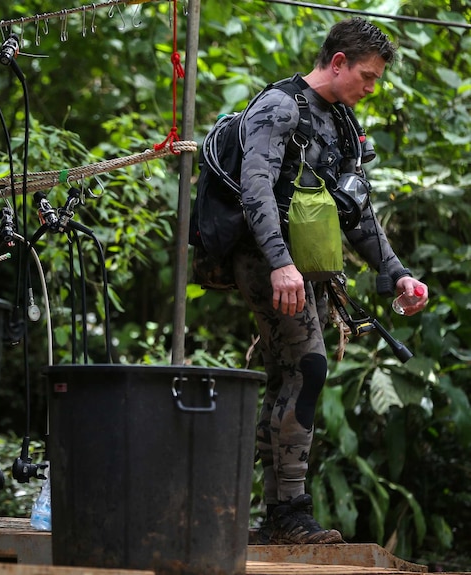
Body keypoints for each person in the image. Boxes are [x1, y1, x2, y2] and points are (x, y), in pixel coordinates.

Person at [232, 17, 429, 544]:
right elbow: (254, 190)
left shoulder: (341, 123)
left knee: (288, 378)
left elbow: (357, 213)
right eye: (366, 76)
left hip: (306, 267)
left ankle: (276, 516)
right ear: (337, 62)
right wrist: (279, 263)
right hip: (269, 262)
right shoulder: (280, 108)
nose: (371, 87)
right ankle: (290, 513)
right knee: (310, 368)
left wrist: (398, 275)